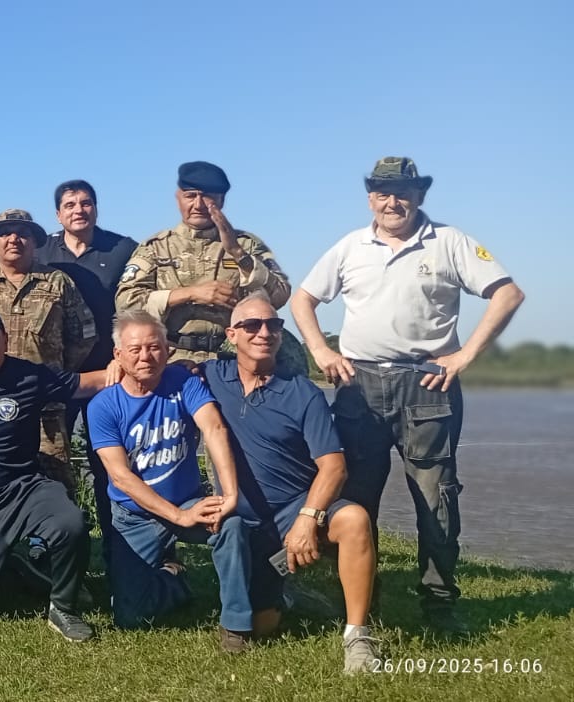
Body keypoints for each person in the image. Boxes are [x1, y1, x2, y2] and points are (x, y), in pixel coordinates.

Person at [291, 156, 525, 633]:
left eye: (402, 192)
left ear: (420, 195)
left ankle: (440, 608)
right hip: (360, 388)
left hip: (427, 386)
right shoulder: (350, 247)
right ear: (369, 197)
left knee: (436, 501)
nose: (391, 201)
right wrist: (320, 349)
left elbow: (507, 293)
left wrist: (463, 357)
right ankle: (360, 604)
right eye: (381, 192)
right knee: (356, 500)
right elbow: (303, 298)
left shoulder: (450, 242)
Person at [207, 294, 380, 673]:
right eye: (252, 325)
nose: (264, 332)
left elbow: (334, 468)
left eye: (274, 325)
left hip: (294, 510)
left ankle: (357, 636)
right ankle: (282, 596)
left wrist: (306, 519)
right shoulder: (210, 377)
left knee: (354, 520)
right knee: (263, 625)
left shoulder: (303, 393)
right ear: (231, 334)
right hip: (244, 520)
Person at [0, 306, 113, 642]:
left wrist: (124, 368)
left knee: (71, 523)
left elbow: (84, 384)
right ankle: (16, 563)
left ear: (5, 340)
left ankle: (63, 607)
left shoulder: (29, 376)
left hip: (24, 490)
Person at [88, 309, 256, 653]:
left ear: (167, 351)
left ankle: (236, 623)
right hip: (135, 516)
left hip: (187, 500)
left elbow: (214, 428)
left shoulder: (184, 384)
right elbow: (120, 476)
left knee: (232, 524)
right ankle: (174, 576)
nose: (145, 356)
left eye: (154, 347)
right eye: (134, 350)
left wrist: (230, 493)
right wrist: (176, 517)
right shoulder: (104, 405)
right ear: (118, 355)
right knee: (130, 617)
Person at [0, 209, 95, 487]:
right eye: (5, 233)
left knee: (55, 480)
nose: (14, 239)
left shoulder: (58, 282)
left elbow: (83, 336)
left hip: (44, 404)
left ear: (34, 241)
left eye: (22, 233)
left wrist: (55, 372)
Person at [115, 161, 304, 375]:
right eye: (190, 195)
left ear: (221, 201)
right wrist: (188, 294)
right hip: (173, 359)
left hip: (235, 361)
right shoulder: (155, 248)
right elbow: (125, 305)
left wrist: (237, 253)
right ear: (178, 198)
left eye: (207, 197)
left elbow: (280, 296)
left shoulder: (247, 244)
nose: (198, 204)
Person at [35, 180, 137, 526]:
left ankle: (118, 544)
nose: (79, 210)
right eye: (70, 205)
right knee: (52, 461)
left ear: (96, 207)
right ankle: (60, 542)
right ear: (58, 214)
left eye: (86, 203)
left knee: (108, 461)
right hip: (55, 375)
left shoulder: (122, 249)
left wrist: (122, 359)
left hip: (107, 374)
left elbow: (135, 310)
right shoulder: (41, 252)